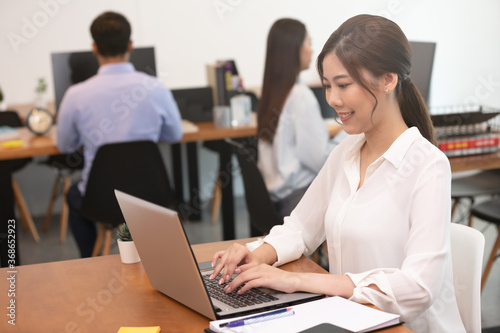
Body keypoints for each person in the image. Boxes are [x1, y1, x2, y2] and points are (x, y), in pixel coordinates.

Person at [211, 14, 465, 333]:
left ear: (388, 80)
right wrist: (258, 255)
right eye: (328, 85)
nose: (332, 99)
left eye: (343, 85)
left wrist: (300, 280)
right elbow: (302, 227)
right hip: (353, 319)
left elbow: (418, 288)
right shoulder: (346, 152)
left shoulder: (428, 166)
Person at [57, 11, 183, 258]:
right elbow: (175, 134)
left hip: (101, 199)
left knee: (73, 194)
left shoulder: (76, 94)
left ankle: (90, 261)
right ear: (130, 45)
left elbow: (64, 145)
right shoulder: (155, 87)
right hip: (151, 196)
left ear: (94, 48)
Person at [256, 18, 345, 219]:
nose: (312, 51)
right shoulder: (300, 96)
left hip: (276, 198)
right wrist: (348, 134)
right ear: (293, 49)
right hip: (298, 199)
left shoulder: (272, 91)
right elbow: (320, 161)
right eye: (309, 43)